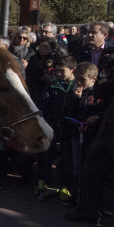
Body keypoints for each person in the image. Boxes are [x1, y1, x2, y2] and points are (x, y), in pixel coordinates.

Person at [65, 53, 114, 224]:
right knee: (91, 170)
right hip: (108, 131)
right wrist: (106, 73)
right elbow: (102, 92)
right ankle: (87, 212)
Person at [36, 55, 78, 200]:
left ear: (73, 70)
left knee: (67, 159)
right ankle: (45, 183)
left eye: (62, 71)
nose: (58, 74)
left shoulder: (77, 86)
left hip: (69, 128)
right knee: (47, 155)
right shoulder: (53, 84)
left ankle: (65, 186)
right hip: (52, 125)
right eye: (56, 71)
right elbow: (43, 103)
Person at [62, 62, 103, 206]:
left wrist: (96, 118)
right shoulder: (78, 92)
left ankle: (87, 198)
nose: (80, 83)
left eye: (83, 80)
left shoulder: (100, 93)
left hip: (92, 136)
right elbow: (69, 113)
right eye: (78, 79)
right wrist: (76, 98)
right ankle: (75, 194)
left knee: (89, 166)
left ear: (93, 79)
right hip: (77, 134)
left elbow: (103, 111)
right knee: (76, 166)